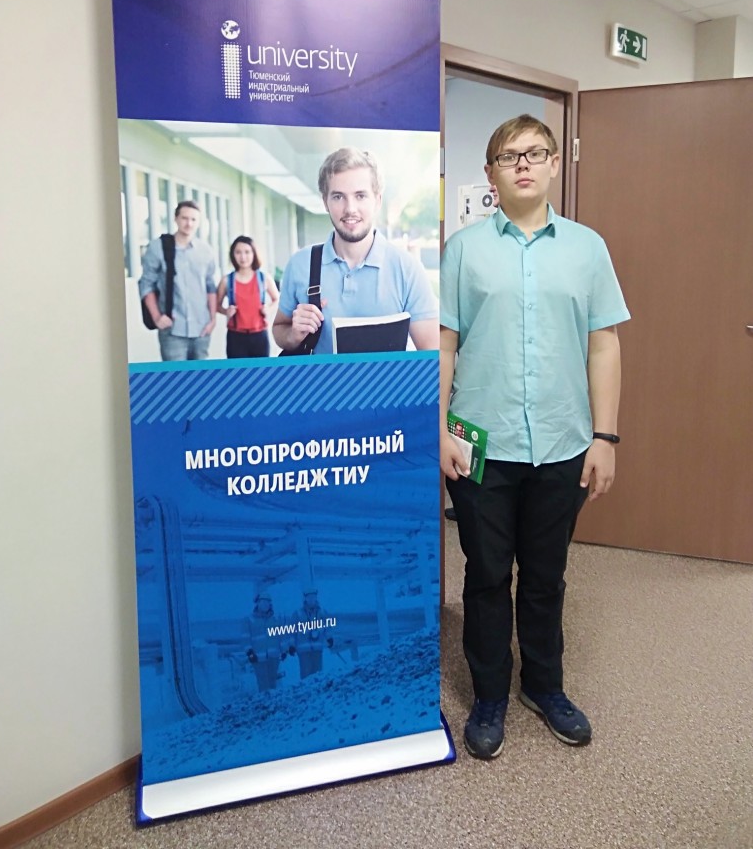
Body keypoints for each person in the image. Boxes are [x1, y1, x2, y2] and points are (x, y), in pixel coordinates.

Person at [440, 114, 630, 760]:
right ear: (491, 173)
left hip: (562, 441)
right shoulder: (464, 249)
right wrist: (439, 427)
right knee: (487, 575)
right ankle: (490, 695)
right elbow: (445, 342)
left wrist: (605, 437)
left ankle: (544, 687)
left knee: (546, 576)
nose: (523, 164)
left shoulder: (587, 248)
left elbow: (604, 344)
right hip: (480, 442)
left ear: (554, 164)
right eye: (509, 156)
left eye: (535, 153)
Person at [272, 147, 438, 355]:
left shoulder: (407, 269)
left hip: (387, 379)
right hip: (321, 378)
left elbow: (432, 353)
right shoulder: (300, 264)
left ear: (377, 200)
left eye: (360, 196)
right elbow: (279, 329)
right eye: (338, 197)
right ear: (325, 202)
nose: (350, 208)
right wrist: (293, 334)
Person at [139, 200, 218, 361]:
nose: (189, 224)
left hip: (201, 329)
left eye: (194, 219)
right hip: (172, 330)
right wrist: (156, 317)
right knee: (175, 376)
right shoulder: (158, 247)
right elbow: (146, 284)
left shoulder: (206, 251)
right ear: (176, 219)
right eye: (184, 218)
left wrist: (213, 320)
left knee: (201, 375)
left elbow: (210, 287)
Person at [216, 235, 279, 358]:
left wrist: (269, 309)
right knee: (237, 370)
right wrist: (226, 311)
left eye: (247, 252)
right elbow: (216, 305)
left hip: (260, 336)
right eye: (238, 252)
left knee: (261, 369)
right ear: (233, 255)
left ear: (254, 253)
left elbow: (277, 299)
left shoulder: (264, 278)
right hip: (235, 337)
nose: (243, 257)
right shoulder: (227, 280)